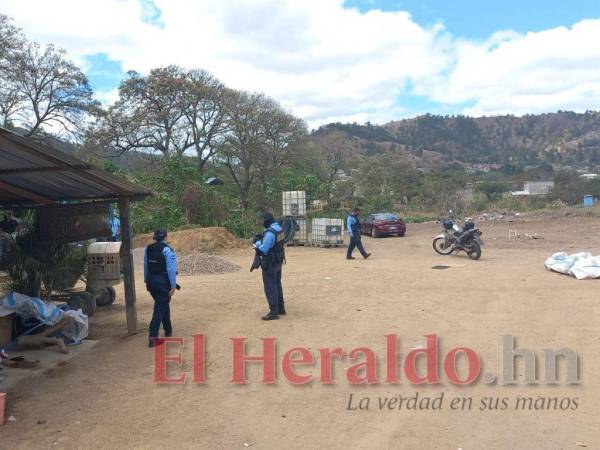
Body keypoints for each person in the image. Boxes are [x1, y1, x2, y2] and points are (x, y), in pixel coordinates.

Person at [144, 228, 177, 347]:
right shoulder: (168, 250)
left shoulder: (148, 248)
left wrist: (146, 281)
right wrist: (173, 285)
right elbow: (171, 269)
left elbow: (145, 266)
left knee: (162, 304)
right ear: (165, 237)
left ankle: (168, 329)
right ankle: (153, 338)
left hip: (151, 282)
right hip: (163, 283)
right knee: (159, 308)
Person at [253, 213, 285, 321]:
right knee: (277, 285)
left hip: (270, 263)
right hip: (278, 261)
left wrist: (256, 243)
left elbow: (263, 250)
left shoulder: (270, 232)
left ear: (267, 221)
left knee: (270, 287)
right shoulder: (279, 229)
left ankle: (274, 312)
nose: (263, 223)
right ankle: (281, 308)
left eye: (263, 221)